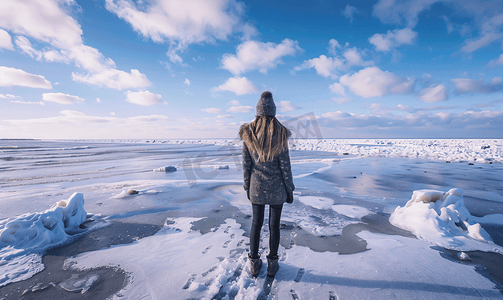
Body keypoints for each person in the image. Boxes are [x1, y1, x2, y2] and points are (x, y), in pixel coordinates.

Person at [239, 91, 295, 278]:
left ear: (257, 112)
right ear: (273, 112)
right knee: (274, 226)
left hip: (256, 187)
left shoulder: (248, 132)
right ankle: (272, 264)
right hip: (277, 188)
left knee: (256, 224)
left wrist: (247, 185)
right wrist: (289, 188)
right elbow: (285, 166)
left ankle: (254, 263)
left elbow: (246, 165)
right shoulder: (280, 133)